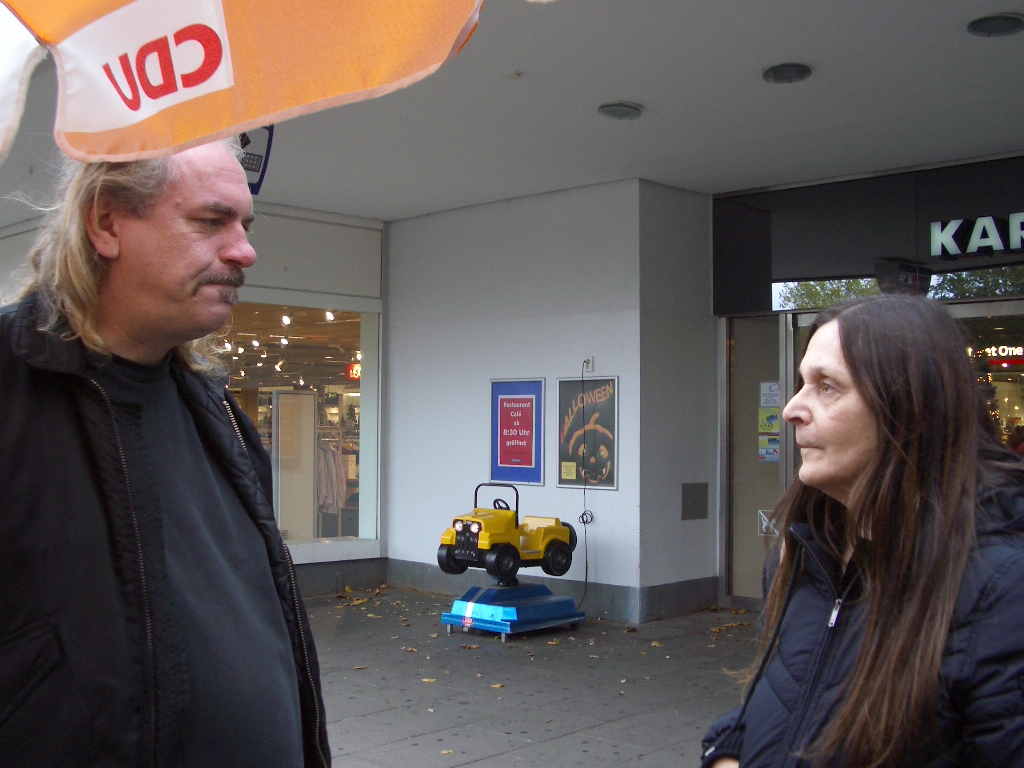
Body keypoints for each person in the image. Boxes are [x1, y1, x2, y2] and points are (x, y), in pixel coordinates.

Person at [0, 141, 330, 767]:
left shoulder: (219, 414)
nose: (244, 251)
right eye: (211, 221)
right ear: (106, 223)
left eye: (245, 224)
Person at [701, 295, 1024, 768]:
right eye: (802, 383)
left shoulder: (1000, 589)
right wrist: (727, 753)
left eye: (827, 387)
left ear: (910, 409)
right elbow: (787, 703)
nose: (791, 409)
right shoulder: (806, 557)